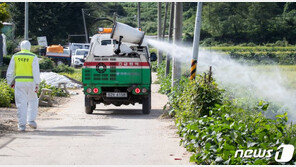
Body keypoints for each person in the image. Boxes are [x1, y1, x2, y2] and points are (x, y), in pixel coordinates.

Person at [6, 40, 41, 131]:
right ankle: (31, 121)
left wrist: (10, 82)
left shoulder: (15, 56)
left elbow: (10, 71)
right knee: (33, 101)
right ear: (29, 47)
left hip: (19, 82)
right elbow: (36, 72)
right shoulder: (33, 56)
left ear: (21, 47)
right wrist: (37, 83)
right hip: (31, 83)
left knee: (21, 104)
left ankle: (21, 126)